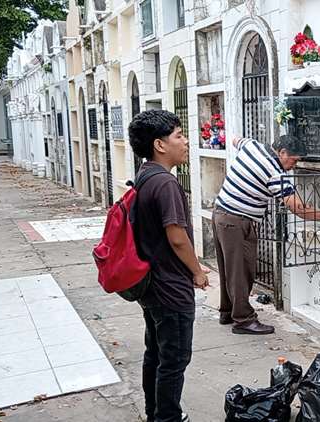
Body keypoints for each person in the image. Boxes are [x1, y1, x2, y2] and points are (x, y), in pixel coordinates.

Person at [128, 110, 210, 422]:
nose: (186, 141)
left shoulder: (144, 174)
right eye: (179, 135)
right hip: (169, 288)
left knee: (157, 354)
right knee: (174, 358)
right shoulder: (165, 183)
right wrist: (197, 271)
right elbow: (177, 237)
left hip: (151, 285)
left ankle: (156, 413)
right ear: (160, 144)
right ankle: (167, 417)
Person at [213, 135, 320, 335]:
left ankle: (228, 312)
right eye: (293, 160)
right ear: (282, 152)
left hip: (220, 213)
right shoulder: (275, 173)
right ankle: (243, 320)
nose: (293, 166)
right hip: (237, 222)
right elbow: (299, 209)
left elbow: (236, 140)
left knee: (229, 269)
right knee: (242, 272)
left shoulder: (252, 146)